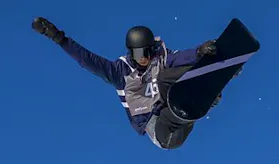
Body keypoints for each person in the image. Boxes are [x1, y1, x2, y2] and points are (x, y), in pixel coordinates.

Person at [31, 17, 219, 150]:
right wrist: (58, 37)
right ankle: (199, 93)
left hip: (178, 114)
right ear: (131, 52)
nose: (144, 58)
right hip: (161, 132)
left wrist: (200, 52)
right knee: (166, 85)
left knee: (167, 75)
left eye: (147, 52)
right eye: (139, 54)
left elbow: (181, 58)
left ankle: (208, 78)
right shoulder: (119, 72)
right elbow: (87, 59)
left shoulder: (161, 58)